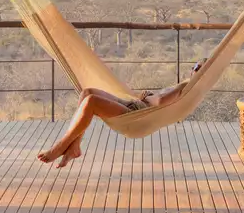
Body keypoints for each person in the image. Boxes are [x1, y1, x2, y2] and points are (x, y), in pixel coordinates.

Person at [38, 59, 205, 168]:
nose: (194, 69)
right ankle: (74, 146)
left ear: (202, 73)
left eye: (198, 68)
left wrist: (148, 95)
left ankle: (60, 146)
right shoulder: (187, 84)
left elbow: (160, 102)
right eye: (194, 66)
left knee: (91, 102)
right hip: (134, 105)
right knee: (87, 92)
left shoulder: (187, 87)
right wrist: (147, 97)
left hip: (138, 114)